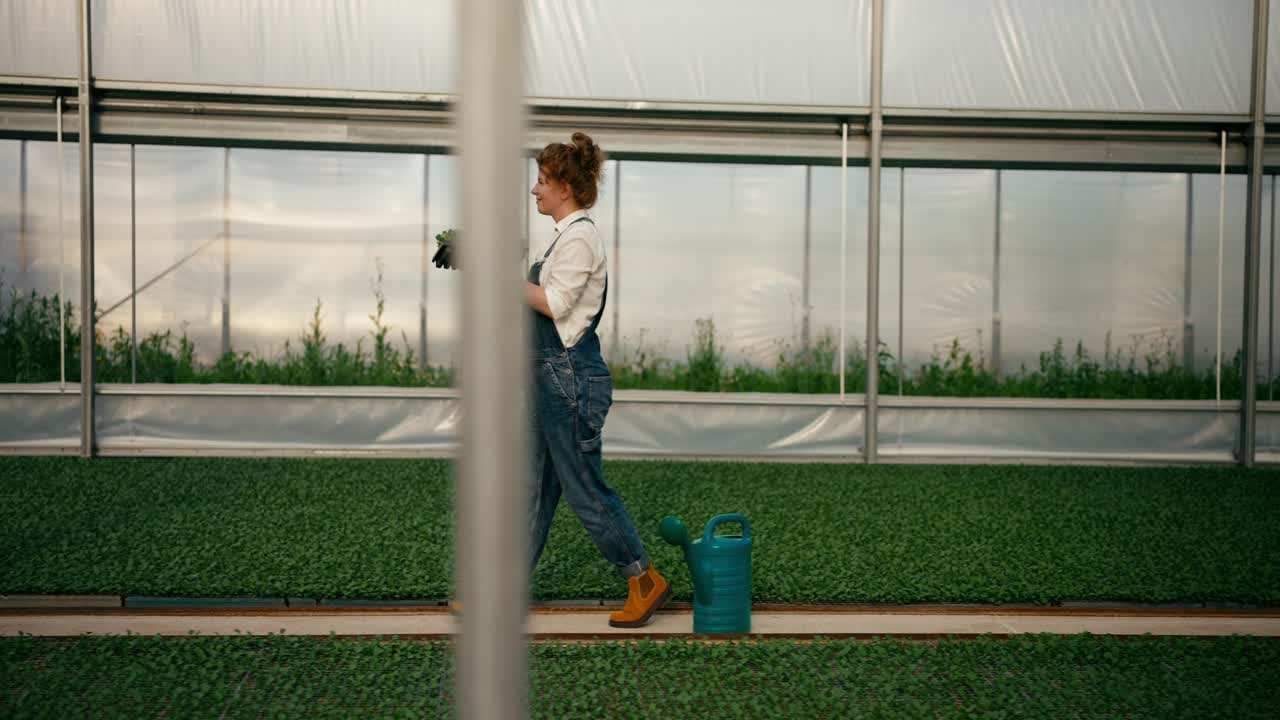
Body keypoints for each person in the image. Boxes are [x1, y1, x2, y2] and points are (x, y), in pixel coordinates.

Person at [522, 131, 670, 628]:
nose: (535, 189)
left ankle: (644, 580)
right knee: (533, 489)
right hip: (551, 380)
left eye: (542, 180)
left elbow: (555, 304)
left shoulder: (582, 238)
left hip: (569, 381)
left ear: (565, 187)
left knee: (584, 488)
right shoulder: (565, 237)